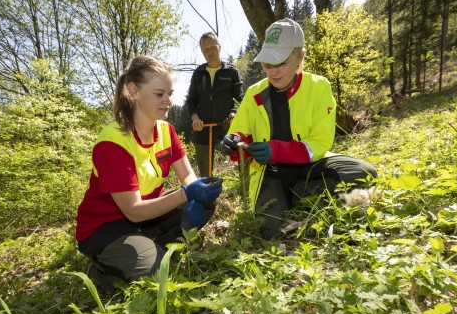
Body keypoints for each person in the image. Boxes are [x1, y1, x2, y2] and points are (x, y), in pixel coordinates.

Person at [219, 18, 377, 240]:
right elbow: (240, 136)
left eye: (281, 63)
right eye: (267, 64)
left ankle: (298, 195)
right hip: (269, 175)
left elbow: (320, 143)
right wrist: (232, 143)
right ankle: (292, 198)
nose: (273, 72)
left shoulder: (319, 87)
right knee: (269, 232)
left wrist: (276, 150)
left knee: (364, 172)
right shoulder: (254, 94)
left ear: (300, 57)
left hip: (309, 167)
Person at [76, 55, 223, 292]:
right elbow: (133, 212)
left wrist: (198, 193)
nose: (168, 101)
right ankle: (103, 269)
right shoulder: (113, 143)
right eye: (159, 94)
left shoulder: (166, 130)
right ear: (133, 91)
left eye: (170, 93)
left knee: (206, 203)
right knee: (159, 272)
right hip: (106, 228)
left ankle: (148, 247)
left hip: (146, 218)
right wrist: (185, 195)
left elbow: (188, 177)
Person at [185, 32, 243, 177]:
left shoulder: (231, 72)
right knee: (205, 170)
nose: (209, 52)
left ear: (219, 47)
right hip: (203, 126)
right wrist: (195, 118)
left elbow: (240, 98)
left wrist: (234, 112)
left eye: (212, 47)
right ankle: (207, 193)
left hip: (226, 123)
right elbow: (191, 100)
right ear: (202, 52)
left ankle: (243, 184)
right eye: (205, 49)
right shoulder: (199, 73)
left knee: (241, 153)